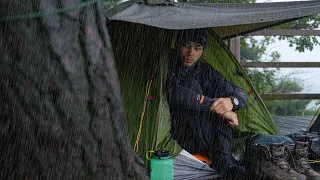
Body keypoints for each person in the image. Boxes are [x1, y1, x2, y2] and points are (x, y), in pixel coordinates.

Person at [166, 28, 248, 178]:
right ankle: (222, 160)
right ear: (177, 45)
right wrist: (217, 106)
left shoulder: (204, 70)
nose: (191, 53)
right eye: (186, 46)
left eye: (197, 48)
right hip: (181, 133)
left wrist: (231, 102)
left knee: (224, 107)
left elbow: (239, 92)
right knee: (196, 89)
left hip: (206, 134)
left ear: (203, 51)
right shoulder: (166, 65)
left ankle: (224, 161)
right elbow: (178, 94)